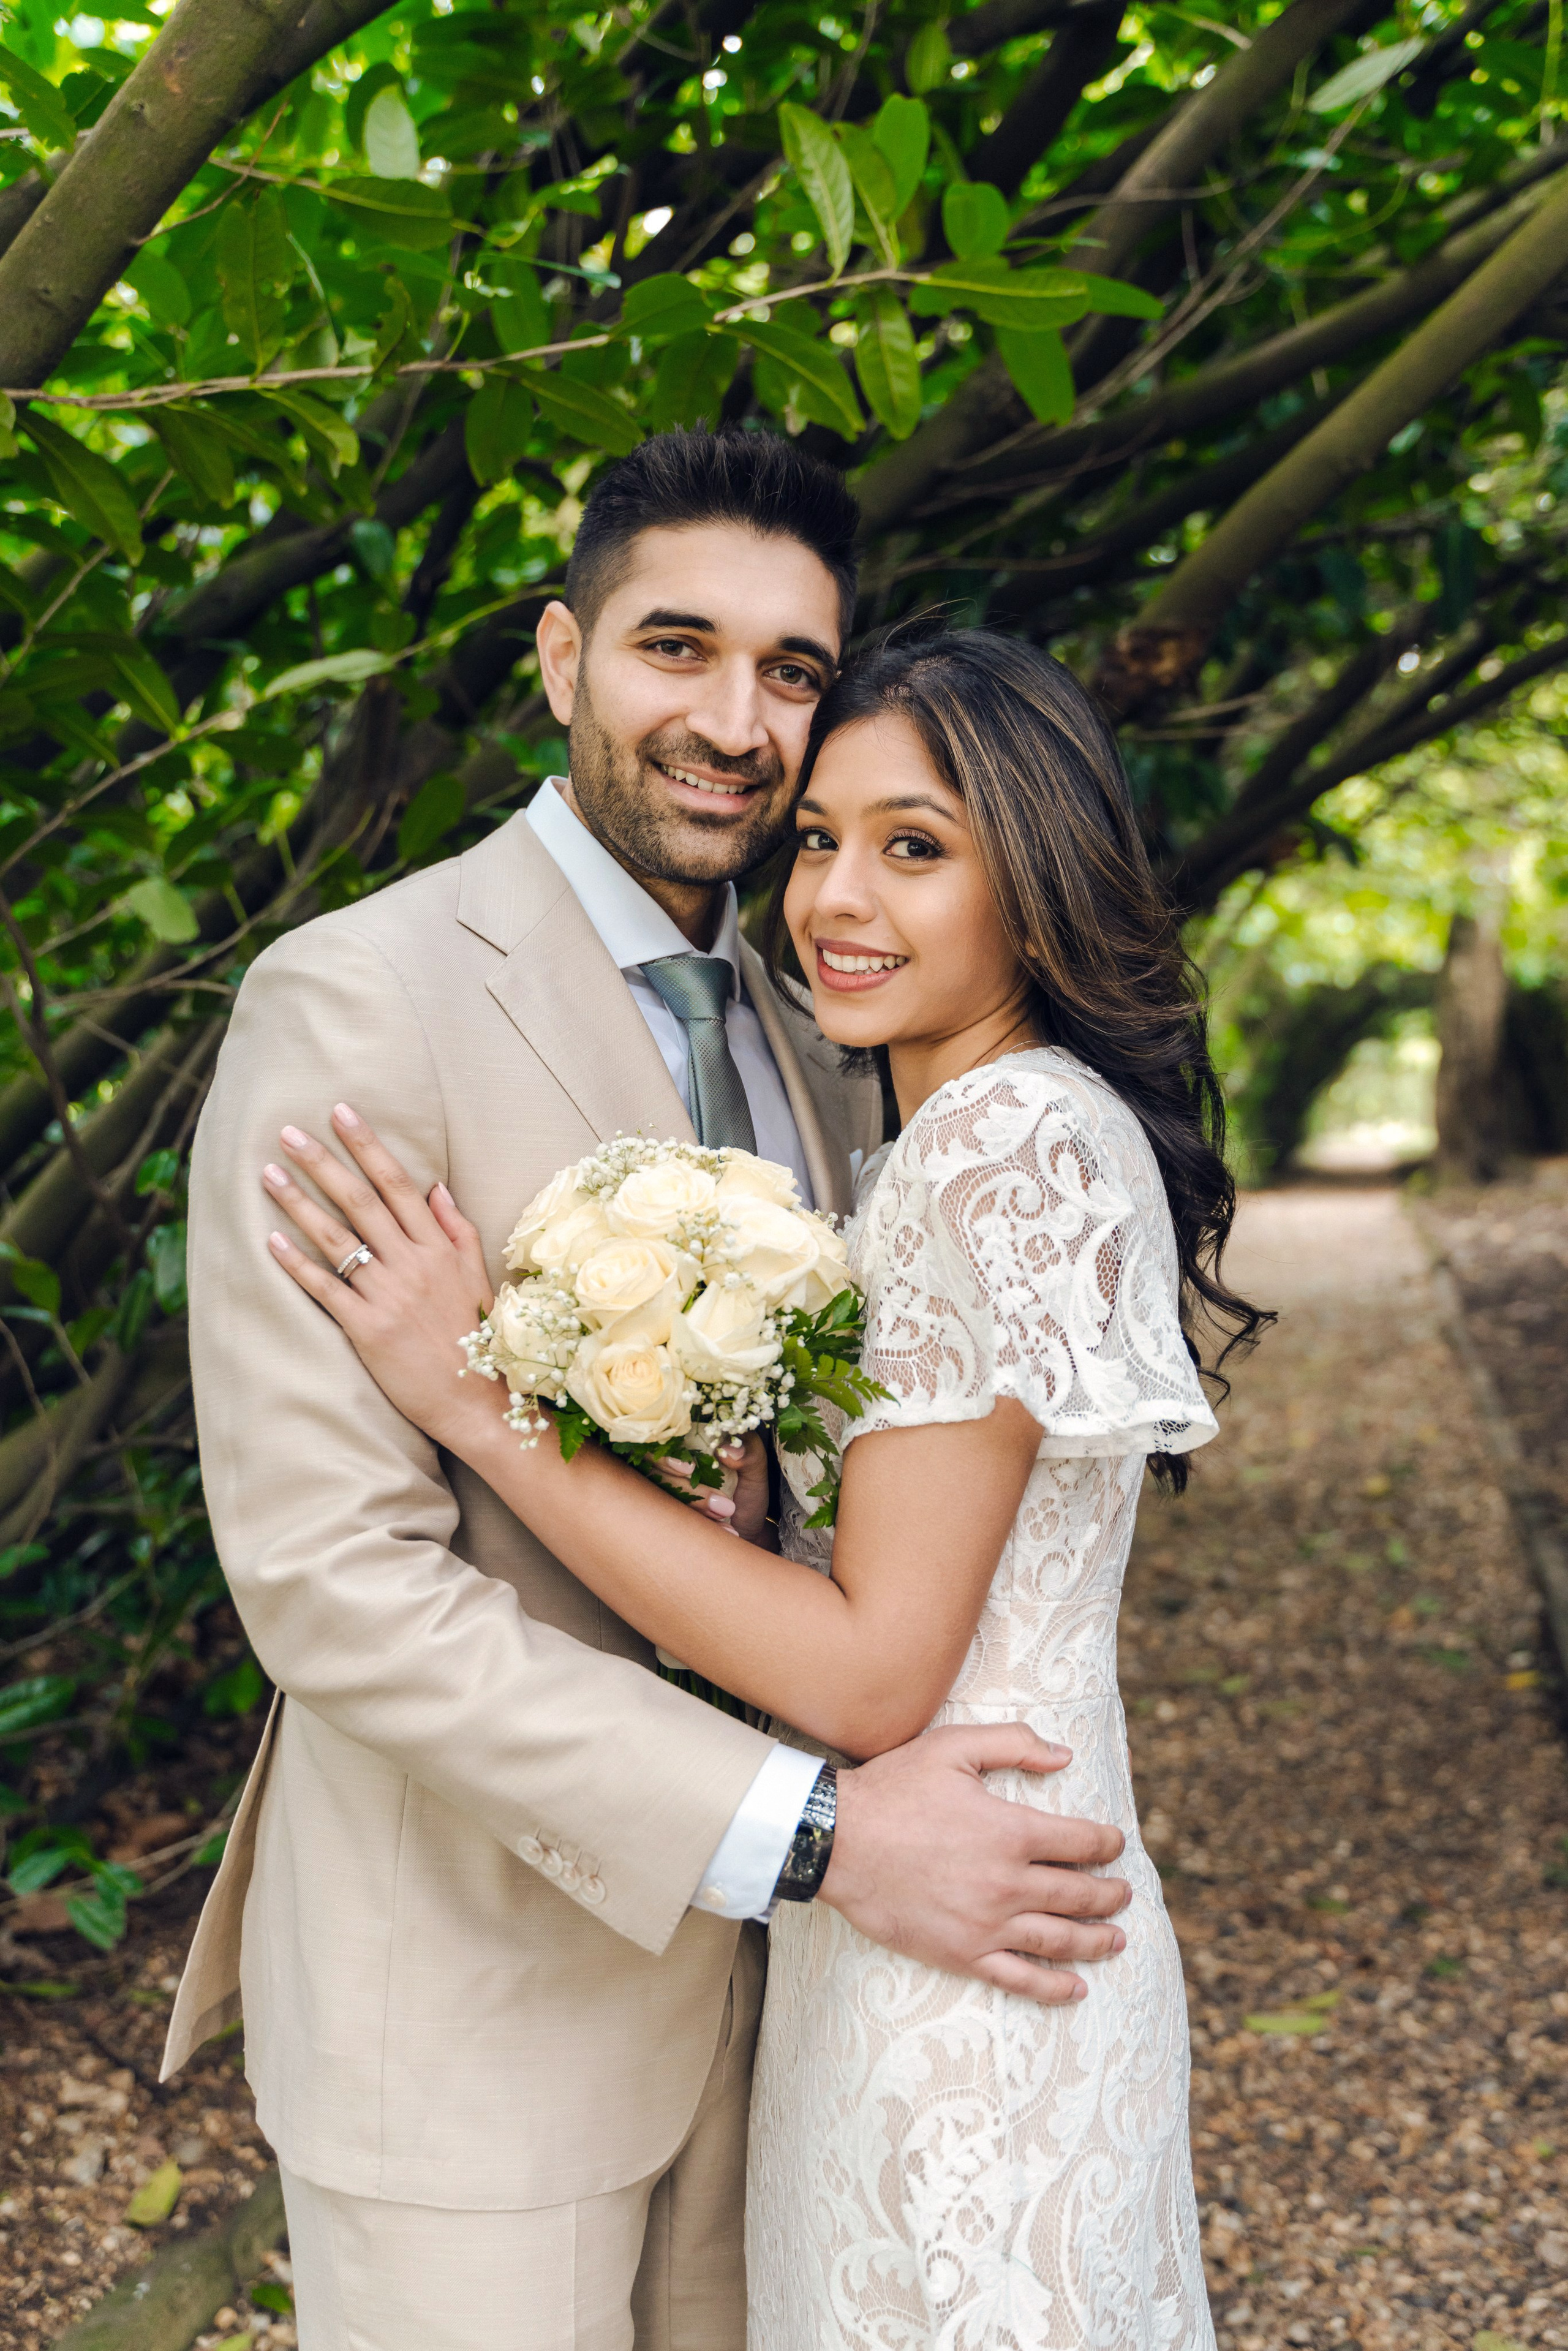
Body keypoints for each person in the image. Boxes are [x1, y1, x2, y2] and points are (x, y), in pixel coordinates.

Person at [162, 436, 1132, 2351]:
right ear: (558, 657)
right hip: (477, 2006)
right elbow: (332, 1585)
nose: (735, 720)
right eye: (674, 648)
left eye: (790, 671)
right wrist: (816, 1829)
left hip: (801, 2013)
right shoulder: (355, 999)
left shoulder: (828, 1011)